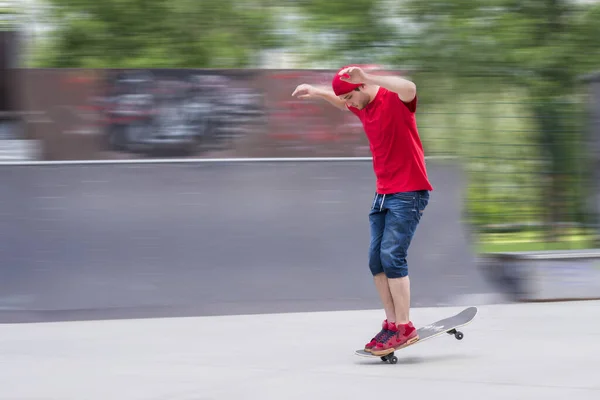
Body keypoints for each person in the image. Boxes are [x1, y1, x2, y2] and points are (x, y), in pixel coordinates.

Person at [292, 65, 433, 356]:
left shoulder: (395, 99)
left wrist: (368, 77)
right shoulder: (363, 107)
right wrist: (317, 92)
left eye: (350, 98)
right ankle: (392, 325)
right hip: (383, 194)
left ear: (362, 88)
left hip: (408, 192)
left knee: (393, 256)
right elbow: (340, 101)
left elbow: (410, 87)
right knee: (376, 261)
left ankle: (405, 326)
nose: (349, 106)